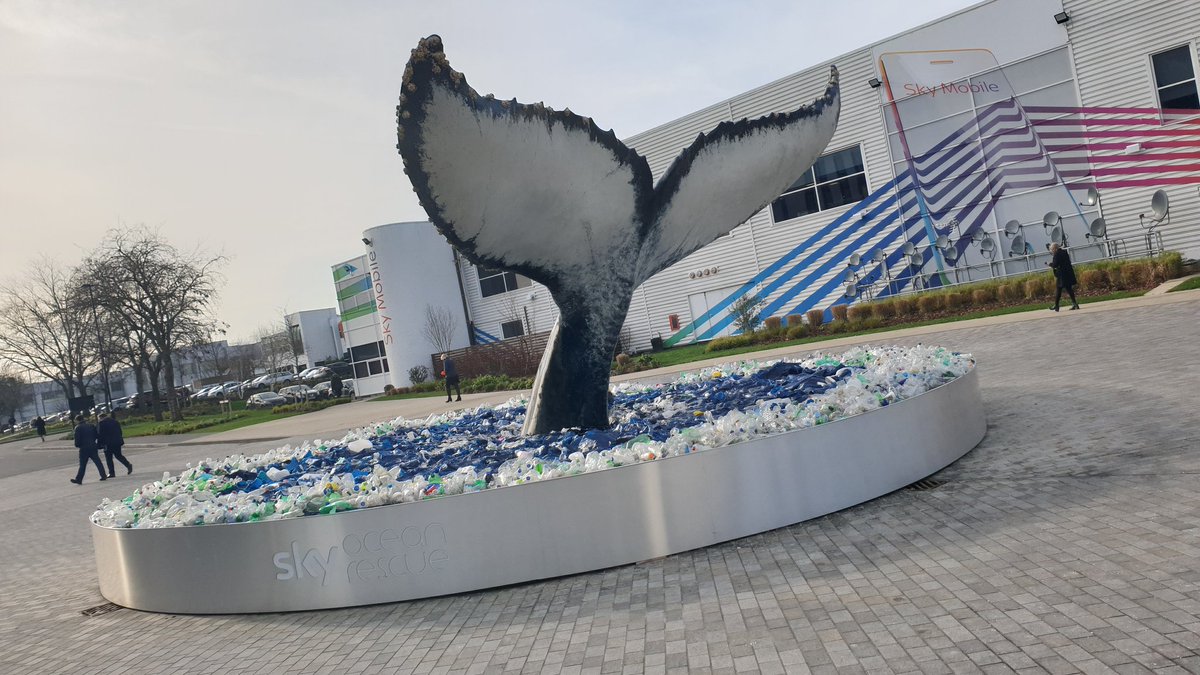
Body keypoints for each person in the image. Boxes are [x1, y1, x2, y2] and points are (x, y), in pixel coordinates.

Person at [70, 414, 106, 485]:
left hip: (84, 448)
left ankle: (79, 479)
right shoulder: (91, 425)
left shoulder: (78, 428)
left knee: (82, 464)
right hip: (92, 445)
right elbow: (96, 435)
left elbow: (77, 440)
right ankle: (103, 475)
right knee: (97, 461)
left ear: (77, 420)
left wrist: (78, 445)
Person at [97, 411, 132, 478]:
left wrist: (99, 444)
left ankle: (112, 473)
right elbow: (120, 431)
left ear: (101, 418)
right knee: (118, 455)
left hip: (107, 443)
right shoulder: (115, 421)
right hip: (117, 442)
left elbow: (101, 435)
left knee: (109, 458)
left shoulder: (101, 423)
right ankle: (128, 465)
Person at [1047, 243, 1079, 312]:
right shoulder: (1064, 252)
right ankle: (1074, 304)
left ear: (1055, 248)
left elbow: (1055, 265)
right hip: (1068, 273)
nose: (1051, 251)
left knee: (1058, 289)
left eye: (1052, 249)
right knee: (1069, 289)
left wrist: (1049, 264)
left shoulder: (1057, 254)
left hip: (1062, 275)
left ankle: (1056, 305)